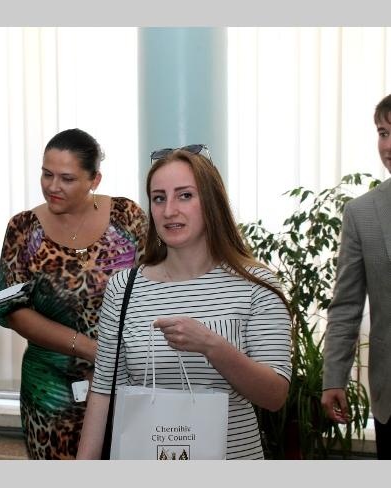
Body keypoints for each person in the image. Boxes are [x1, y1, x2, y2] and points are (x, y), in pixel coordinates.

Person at [77, 146, 292, 460]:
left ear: (212, 202)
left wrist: (211, 345)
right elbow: (103, 392)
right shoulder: (123, 287)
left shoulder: (256, 285)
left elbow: (274, 396)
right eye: (158, 198)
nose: (169, 210)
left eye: (185, 196)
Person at [0, 128, 147, 459]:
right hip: (52, 391)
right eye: (46, 174)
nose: (53, 186)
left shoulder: (127, 217)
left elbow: (152, 288)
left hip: (124, 380)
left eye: (67, 178)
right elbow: (13, 310)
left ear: (94, 180)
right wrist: (91, 349)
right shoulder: (23, 229)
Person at [321, 93, 391, 460]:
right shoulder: (362, 213)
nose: (388, 145)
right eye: (383, 133)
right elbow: (346, 305)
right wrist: (334, 377)